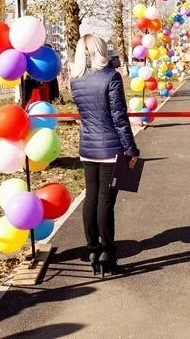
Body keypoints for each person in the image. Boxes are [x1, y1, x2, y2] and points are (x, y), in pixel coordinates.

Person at [69, 34, 140, 276]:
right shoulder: (112, 77)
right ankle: (108, 253)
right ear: (101, 51)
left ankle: (93, 249)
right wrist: (131, 149)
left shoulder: (76, 80)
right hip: (111, 149)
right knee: (106, 201)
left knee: (91, 198)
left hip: (88, 148)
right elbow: (119, 118)